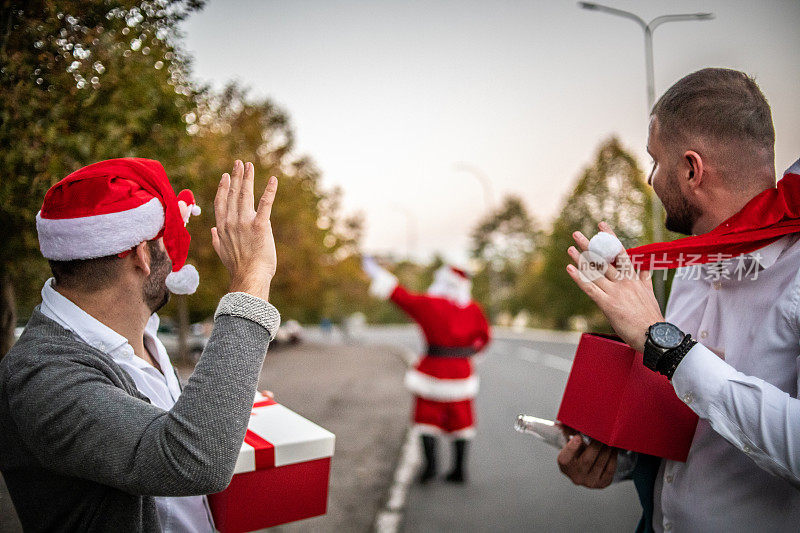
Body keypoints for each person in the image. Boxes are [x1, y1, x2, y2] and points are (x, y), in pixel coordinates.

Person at [557, 68, 800, 532]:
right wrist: (617, 457)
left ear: (691, 169)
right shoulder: (690, 263)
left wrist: (662, 341)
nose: (650, 178)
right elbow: (692, 422)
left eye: (654, 160)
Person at [0, 158, 281, 532]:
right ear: (143, 255)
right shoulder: (40, 375)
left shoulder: (142, 336)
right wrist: (253, 276)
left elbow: (174, 436)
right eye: (168, 237)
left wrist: (229, 404)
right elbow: (193, 461)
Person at [363, 259, 490, 483]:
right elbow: (484, 339)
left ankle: (430, 469)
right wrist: (470, 352)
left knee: (426, 420)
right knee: (462, 422)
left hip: (432, 371)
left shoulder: (429, 304)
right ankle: (459, 471)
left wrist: (379, 275)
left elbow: (401, 296)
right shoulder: (473, 309)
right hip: (461, 373)